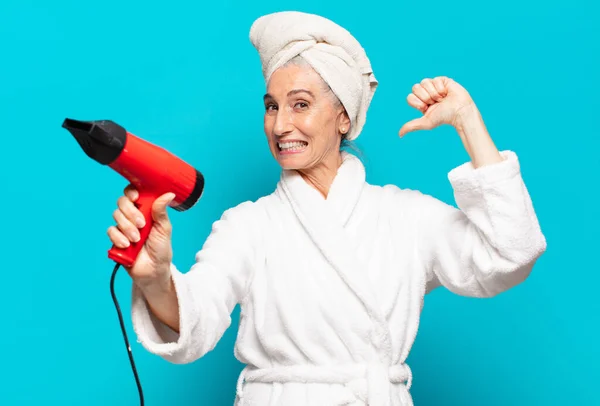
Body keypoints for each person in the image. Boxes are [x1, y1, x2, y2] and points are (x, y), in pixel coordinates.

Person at [107, 11, 546, 406]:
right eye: (271, 107)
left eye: (301, 104)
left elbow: (508, 255)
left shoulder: (405, 217)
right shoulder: (248, 226)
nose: (281, 125)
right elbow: (196, 322)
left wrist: (467, 121)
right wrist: (156, 279)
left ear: (343, 117)